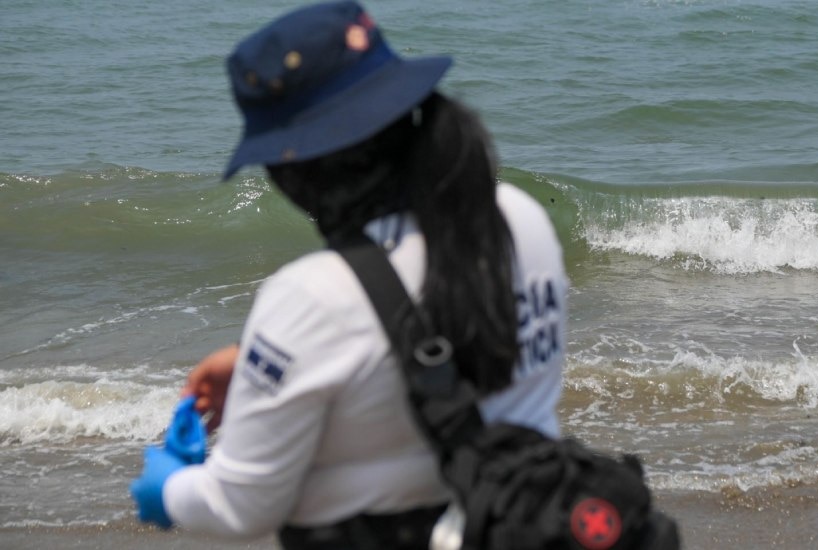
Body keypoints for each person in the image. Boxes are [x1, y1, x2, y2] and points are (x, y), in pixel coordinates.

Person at [129, 2, 568, 548]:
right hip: (527, 522)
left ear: (299, 169)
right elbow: (443, 340)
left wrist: (166, 488)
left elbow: (240, 506)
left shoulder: (310, 296)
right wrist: (262, 365)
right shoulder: (518, 216)